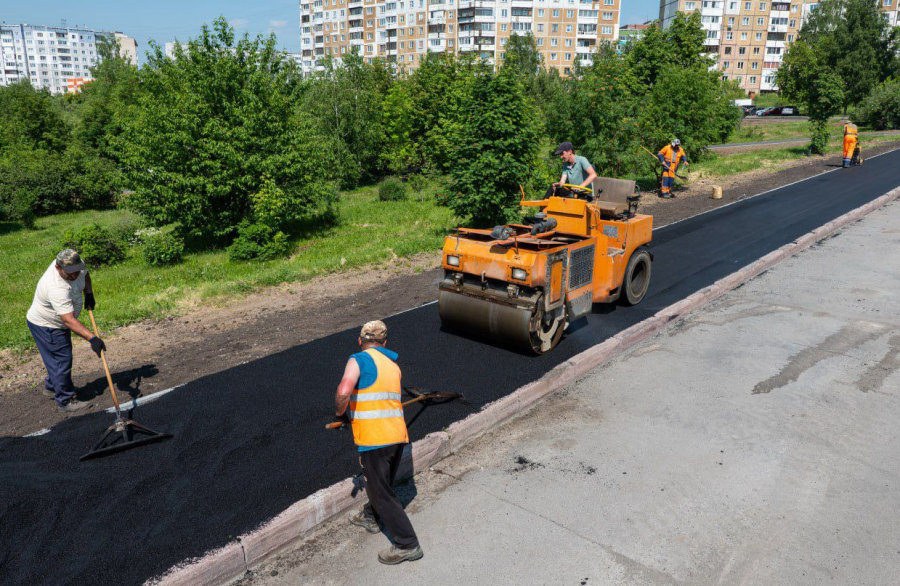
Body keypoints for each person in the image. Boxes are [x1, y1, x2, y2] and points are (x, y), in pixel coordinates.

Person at [335, 320, 423, 565]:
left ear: (360, 340)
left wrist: (341, 414)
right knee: (382, 485)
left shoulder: (358, 359)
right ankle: (371, 516)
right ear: (384, 343)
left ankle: (408, 544)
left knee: (381, 493)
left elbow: (344, 392)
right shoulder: (393, 366)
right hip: (397, 437)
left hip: (375, 439)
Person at [26, 249, 106, 413]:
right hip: (47, 325)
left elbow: (85, 274)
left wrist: (89, 293)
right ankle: (64, 400)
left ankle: (51, 386)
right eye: (70, 273)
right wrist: (92, 339)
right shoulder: (56, 287)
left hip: (56, 322)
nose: (75, 275)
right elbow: (68, 320)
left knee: (58, 359)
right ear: (58, 267)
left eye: (76, 271)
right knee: (61, 360)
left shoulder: (75, 264)